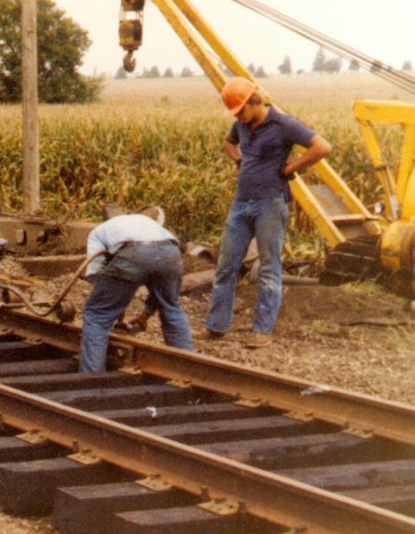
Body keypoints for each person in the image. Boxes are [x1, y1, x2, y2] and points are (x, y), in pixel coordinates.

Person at [205, 78, 332, 348]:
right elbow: (228, 141)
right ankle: (216, 326)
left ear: (254, 101)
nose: (238, 117)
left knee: (268, 267)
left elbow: (322, 146)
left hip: (270, 203)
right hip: (241, 203)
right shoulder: (241, 124)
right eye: (235, 113)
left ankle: (261, 330)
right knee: (226, 265)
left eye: (240, 110)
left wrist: (291, 169)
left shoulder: (284, 124)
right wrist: (238, 159)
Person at [78, 211, 194, 373]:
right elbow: (157, 282)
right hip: (170, 249)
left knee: (97, 315)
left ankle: (91, 379)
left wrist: (115, 301)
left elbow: (96, 270)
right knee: (171, 307)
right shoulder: (146, 223)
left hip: (135, 251)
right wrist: (145, 313)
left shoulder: (97, 233)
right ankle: (188, 372)